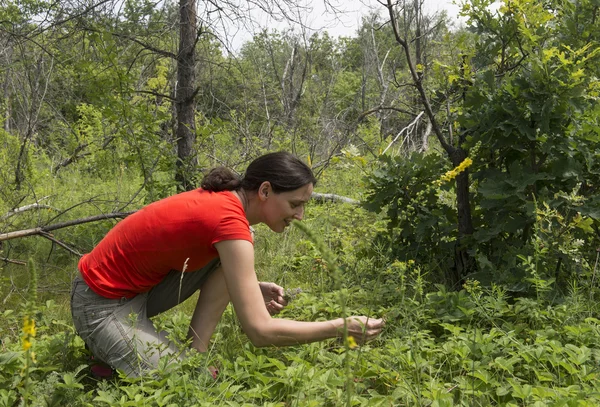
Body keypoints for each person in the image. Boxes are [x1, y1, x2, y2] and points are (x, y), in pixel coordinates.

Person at [70, 151, 384, 377]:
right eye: (295, 204)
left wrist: (246, 286)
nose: (300, 216)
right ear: (265, 191)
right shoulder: (228, 221)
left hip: (137, 293)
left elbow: (219, 266)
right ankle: (113, 357)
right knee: (186, 380)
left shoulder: (231, 209)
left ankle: (194, 354)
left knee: (192, 368)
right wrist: (339, 328)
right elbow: (261, 332)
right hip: (99, 305)